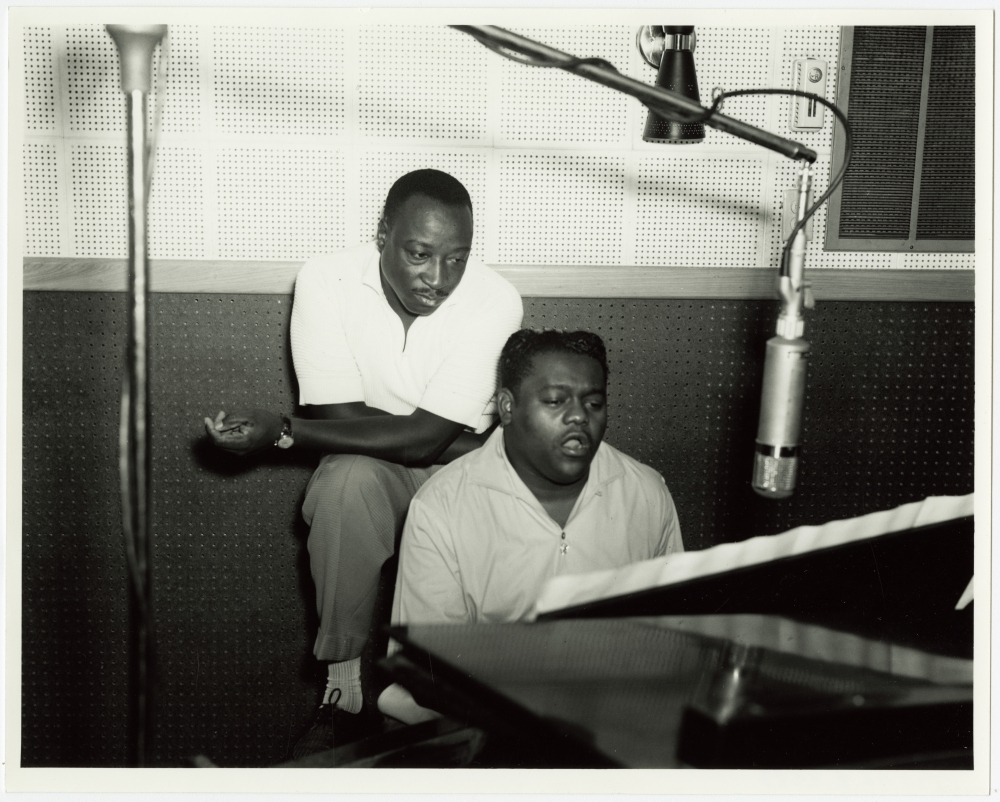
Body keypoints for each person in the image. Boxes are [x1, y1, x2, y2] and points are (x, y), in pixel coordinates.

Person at [203, 169, 523, 756]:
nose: (438, 278)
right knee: (346, 483)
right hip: (389, 463)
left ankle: (443, 709)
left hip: (467, 478)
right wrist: (443, 436)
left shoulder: (495, 298)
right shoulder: (326, 279)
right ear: (382, 235)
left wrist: (285, 431)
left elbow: (418, 442)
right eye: (420, 254)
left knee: (478, 513)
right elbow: (344, 419)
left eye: (456, 259)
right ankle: (342, 691)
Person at [381, 329, 683, 723]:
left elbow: (674, 641)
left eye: (594, 403)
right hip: (488, 722)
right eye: (555, 401)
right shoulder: (441, 507)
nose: (579, 416)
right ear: (507, 407)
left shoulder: (646, 492)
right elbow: (429, 674)